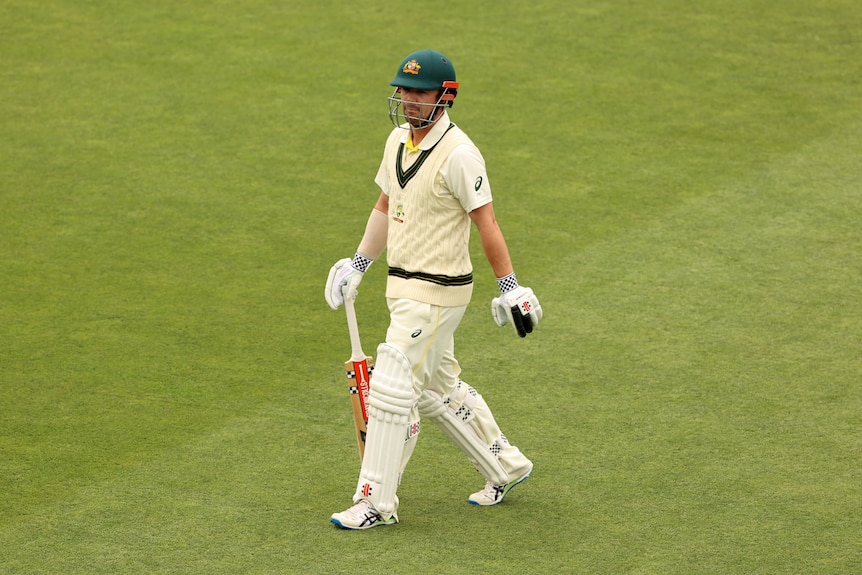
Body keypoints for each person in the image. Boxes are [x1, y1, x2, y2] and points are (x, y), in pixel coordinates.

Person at [324, 49, 543, 530]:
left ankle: (375, 502)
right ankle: (503, 463)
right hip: (402, 288)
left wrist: (510, 286)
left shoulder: (460, 154)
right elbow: (387, 204)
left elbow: (486, 222)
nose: (406, 99)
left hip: (438, 293)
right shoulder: (397, 141)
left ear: (445, 97)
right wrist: (359, 263)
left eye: (418, 92)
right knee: (436, 390)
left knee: (392, 386)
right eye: (403, 89)